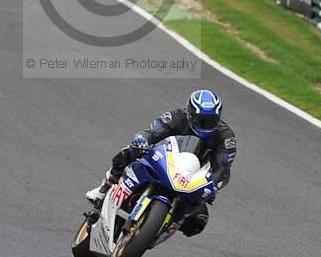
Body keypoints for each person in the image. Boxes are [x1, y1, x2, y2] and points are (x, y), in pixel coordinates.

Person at [86, 89, 236, 237]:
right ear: (190, 114)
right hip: (164, 161)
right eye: (201, 119)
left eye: (211, 120)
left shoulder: (226, 137)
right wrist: (142, 140)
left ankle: (162, 227)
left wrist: (213, 185)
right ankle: (105, 187)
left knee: (198, 221)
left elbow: (222, 168)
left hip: (191, 179)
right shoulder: (177, 116)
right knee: (128, 152)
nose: (205, 125)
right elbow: (152, 132)